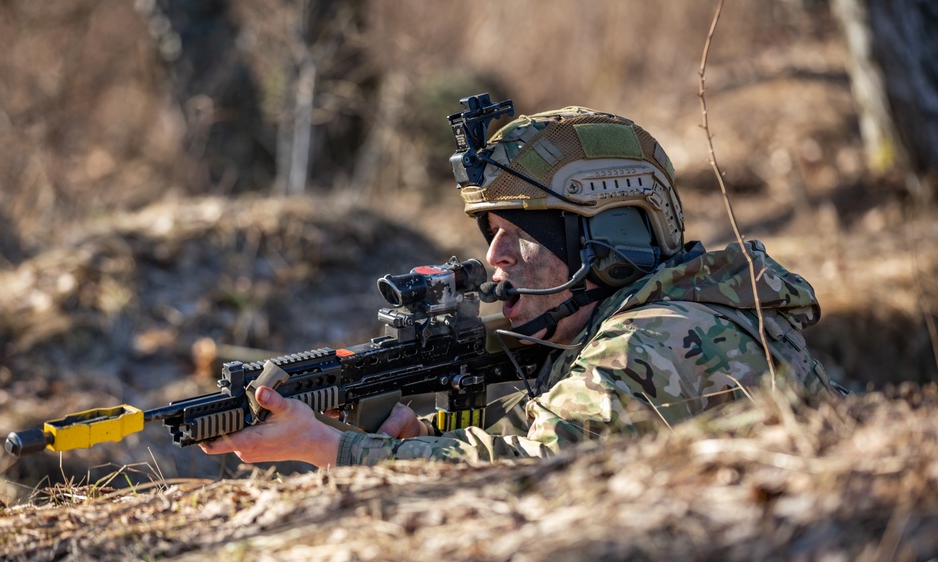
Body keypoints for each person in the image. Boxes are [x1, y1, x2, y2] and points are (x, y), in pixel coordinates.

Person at [200, 103, 842, 468]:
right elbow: (551, 430)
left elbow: (528, 474)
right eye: (491, 232)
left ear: (612, 243)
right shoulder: (686, 310)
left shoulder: (660, 338)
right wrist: (418, 438)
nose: (496, 258)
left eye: (525, 235)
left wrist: (332, 449)